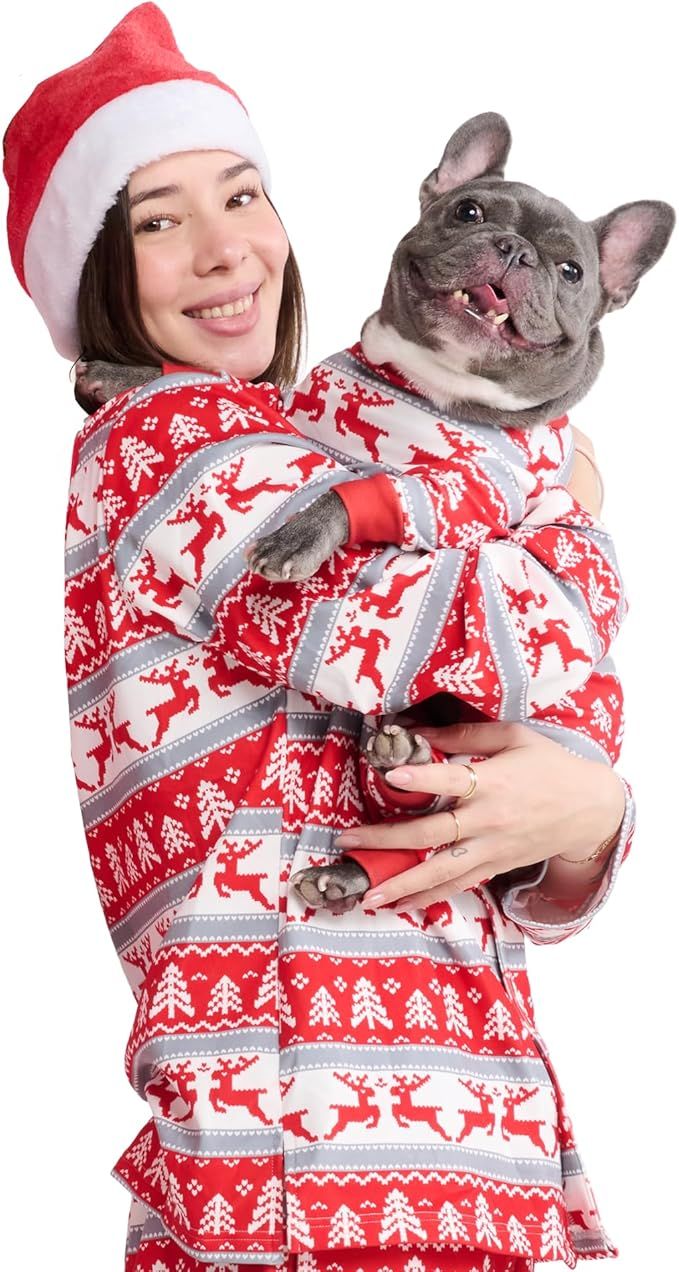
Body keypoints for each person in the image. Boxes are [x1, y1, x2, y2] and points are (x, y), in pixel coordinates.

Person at [2, 5, 634, 1272]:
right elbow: (407, 635)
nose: (223, 249)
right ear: (96, 274)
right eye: (156, 220)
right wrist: (571, 521)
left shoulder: (344, 439)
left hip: (469, 1134)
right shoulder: (162, 443)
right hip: (296, 1148)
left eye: (242, 195)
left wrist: (586, 820)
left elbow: (518, 843)